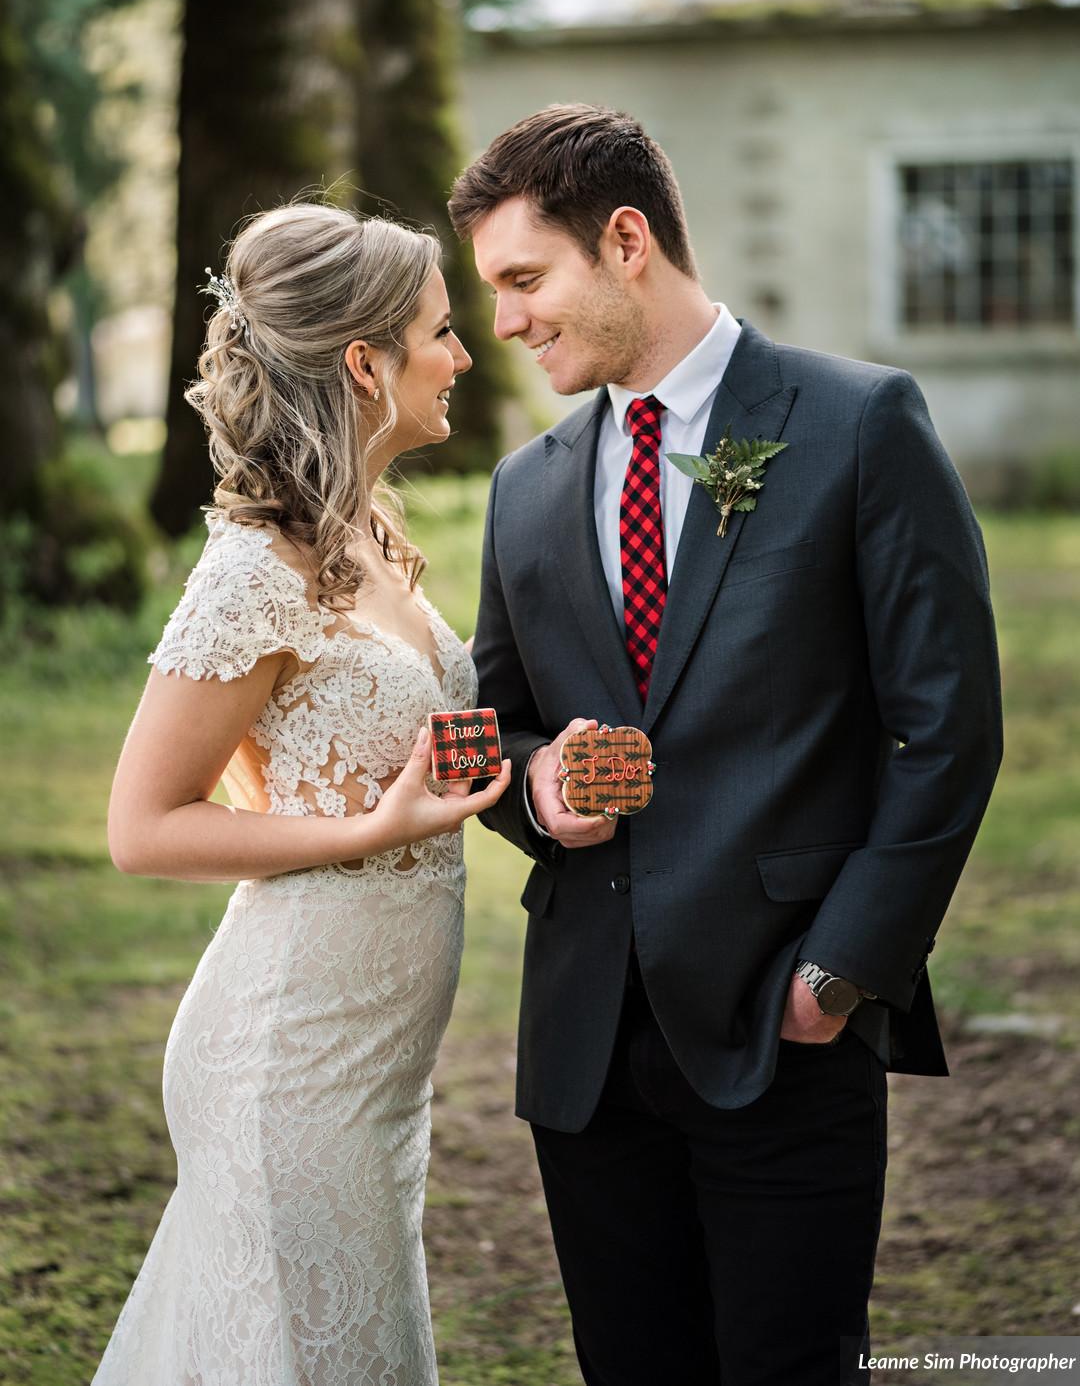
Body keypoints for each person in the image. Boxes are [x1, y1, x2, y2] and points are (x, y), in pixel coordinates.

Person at [448, 104, 1003, 1386]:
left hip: (784, 1024)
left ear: (626, 239)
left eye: (526, 279)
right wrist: (535, 788)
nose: (507, 322)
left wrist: (843, 974)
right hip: (588, 1053)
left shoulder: (862, 423)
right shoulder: (523, 485)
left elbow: (947, 726)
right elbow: (502, 713)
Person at [92, 202, 511, 1386]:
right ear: (367, 363)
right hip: (292, 1059)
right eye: (443, 330)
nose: (466, 355)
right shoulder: (251, 573)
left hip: (376, 1065)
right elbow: (141, 826)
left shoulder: (364, 536)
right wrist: (372, 827)